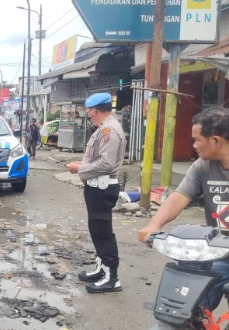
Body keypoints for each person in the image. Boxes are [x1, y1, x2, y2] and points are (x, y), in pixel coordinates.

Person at [138, 106, 229, 311]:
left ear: (216, 141)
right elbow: (179, 197)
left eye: (197, 140)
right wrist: (154, 225)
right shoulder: (202, 166)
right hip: (217, 252)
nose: (194, 145)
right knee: (191, 311)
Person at [65, 92, 126, 293]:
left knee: (103, 232)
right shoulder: (104, 128)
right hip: (96, 186)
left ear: (94, 109)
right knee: (97, 230)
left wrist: (79, 169)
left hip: (102, 187)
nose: (87, 113)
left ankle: (112, 278)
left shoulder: (109, 129)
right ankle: (102, 269)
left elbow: (106, 163)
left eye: (88, 110)